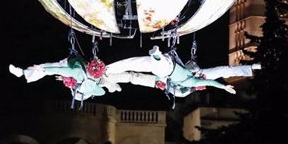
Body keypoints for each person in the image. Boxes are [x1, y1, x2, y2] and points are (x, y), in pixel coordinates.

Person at [104, 45, 261, 94]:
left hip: (164, 77)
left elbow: (221, 75)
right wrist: (252, 67)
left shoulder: (195, 79)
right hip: (166, 70)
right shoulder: (198, 76)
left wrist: (223, 86)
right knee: (135, 70)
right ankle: (108, 74)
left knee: (135, 76)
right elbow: (224, 72)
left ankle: (108, 76)